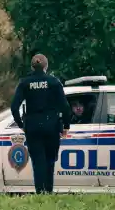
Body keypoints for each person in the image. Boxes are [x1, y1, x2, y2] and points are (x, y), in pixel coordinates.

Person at [10, 54, 71, 194]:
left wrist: (21, 124)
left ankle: (40, 192)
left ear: (32, 66)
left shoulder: (25, 83)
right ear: (46, 66)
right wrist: (66, 126)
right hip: (52, 126)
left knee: (38, 162)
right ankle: (48, 191)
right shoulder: (54, 82)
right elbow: (65, 107)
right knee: (50, 161)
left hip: (32, 127)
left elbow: (14, 107)